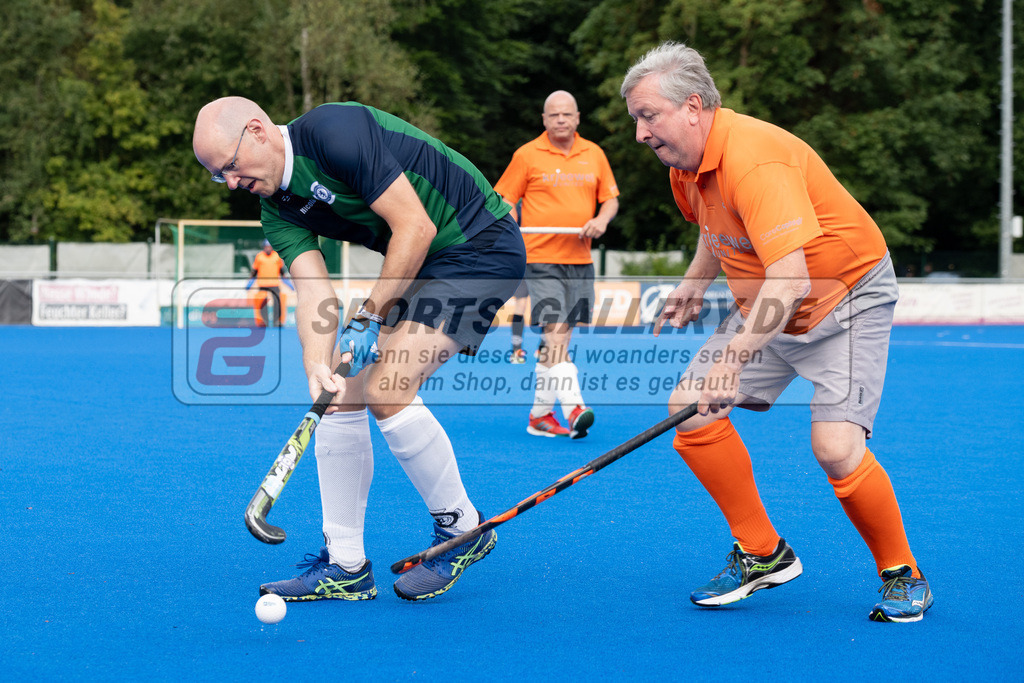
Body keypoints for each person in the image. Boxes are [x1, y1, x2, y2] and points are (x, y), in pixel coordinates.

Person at [621, 42, 932, 622]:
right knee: (693, 411)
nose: (639, 133)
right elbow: (717, 227)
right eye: (636, 119)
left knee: (836, 449)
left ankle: (902, 572)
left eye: (647, 115)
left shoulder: (755, 159)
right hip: (770, 298)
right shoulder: (685, 165)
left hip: (844, 297)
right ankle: (763, 553)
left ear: (693, 106)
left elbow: (791, 281)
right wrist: (694, 281)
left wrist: (730, 360)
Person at [193, 97, 526, 602]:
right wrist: (314, 365)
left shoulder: (332, 130)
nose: (232, 183)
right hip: (422, 260)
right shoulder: (275, 209)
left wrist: (369, 317)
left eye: (232, 167)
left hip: (478, 243)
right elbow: (313, 293)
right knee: (343, 388)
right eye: (221, 177)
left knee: (389, 388)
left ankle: (462, 529)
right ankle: (345, 563)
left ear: (258, 131)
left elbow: (416, 226)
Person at [494, 90, 619, 439]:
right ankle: (574, 405)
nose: (561, 120)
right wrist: (508, 221)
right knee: (555, 332)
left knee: (559, 339)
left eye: (567, 114)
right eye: (554, 115)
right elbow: (503, 198)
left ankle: (540, 416)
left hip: (579, 260)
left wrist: (601, 220)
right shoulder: (527, 155)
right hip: (540, 259)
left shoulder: (594, 153)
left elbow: (610, 200)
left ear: (577, 117)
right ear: (545, 120)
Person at [247, 238, 293, 327]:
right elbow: (254, 271)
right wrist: (250, 281)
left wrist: (287, 281)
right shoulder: (259, 256)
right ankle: (263, 321)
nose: (268, 248)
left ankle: (277, 321)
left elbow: (281, 270)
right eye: (266, 247)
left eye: (269, 247)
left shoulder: (276, 256)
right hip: (263, 284)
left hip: (274, 283)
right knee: (262, 303)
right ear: (263, 247)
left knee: (277, 302)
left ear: (272, 247)